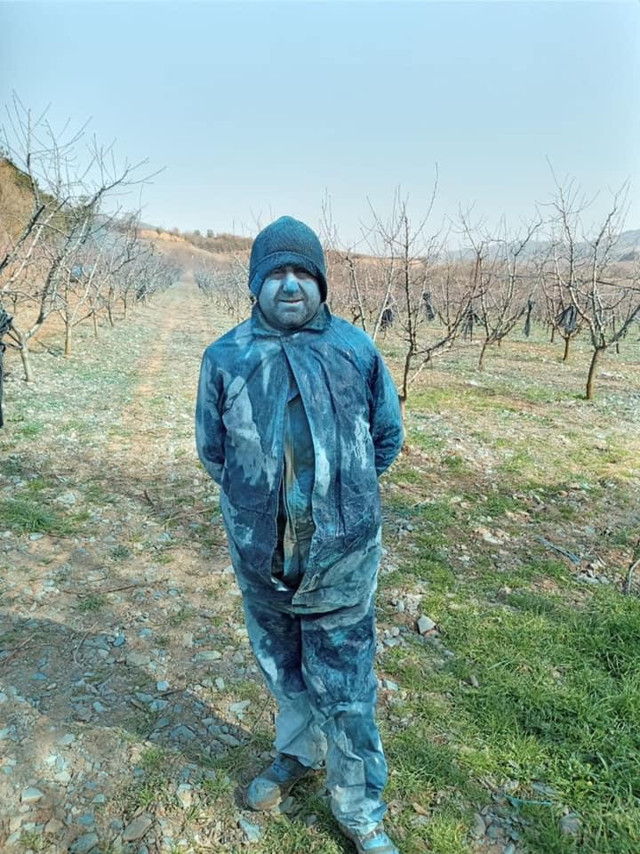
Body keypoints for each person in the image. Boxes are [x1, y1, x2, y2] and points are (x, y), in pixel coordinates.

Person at [196, 216, 404, 853]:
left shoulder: (356, 351)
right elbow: (212, 452)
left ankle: (359, 811)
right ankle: (297, 754)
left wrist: (341, 503)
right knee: (284, 673)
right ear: (255, 283)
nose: (290, 285)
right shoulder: (225, 357)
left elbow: (386, 439)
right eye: (276, 273)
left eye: (302, 273)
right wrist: (259, 510)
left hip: (342, 561)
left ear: (320, 282)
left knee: (346, 691)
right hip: (263, 561)